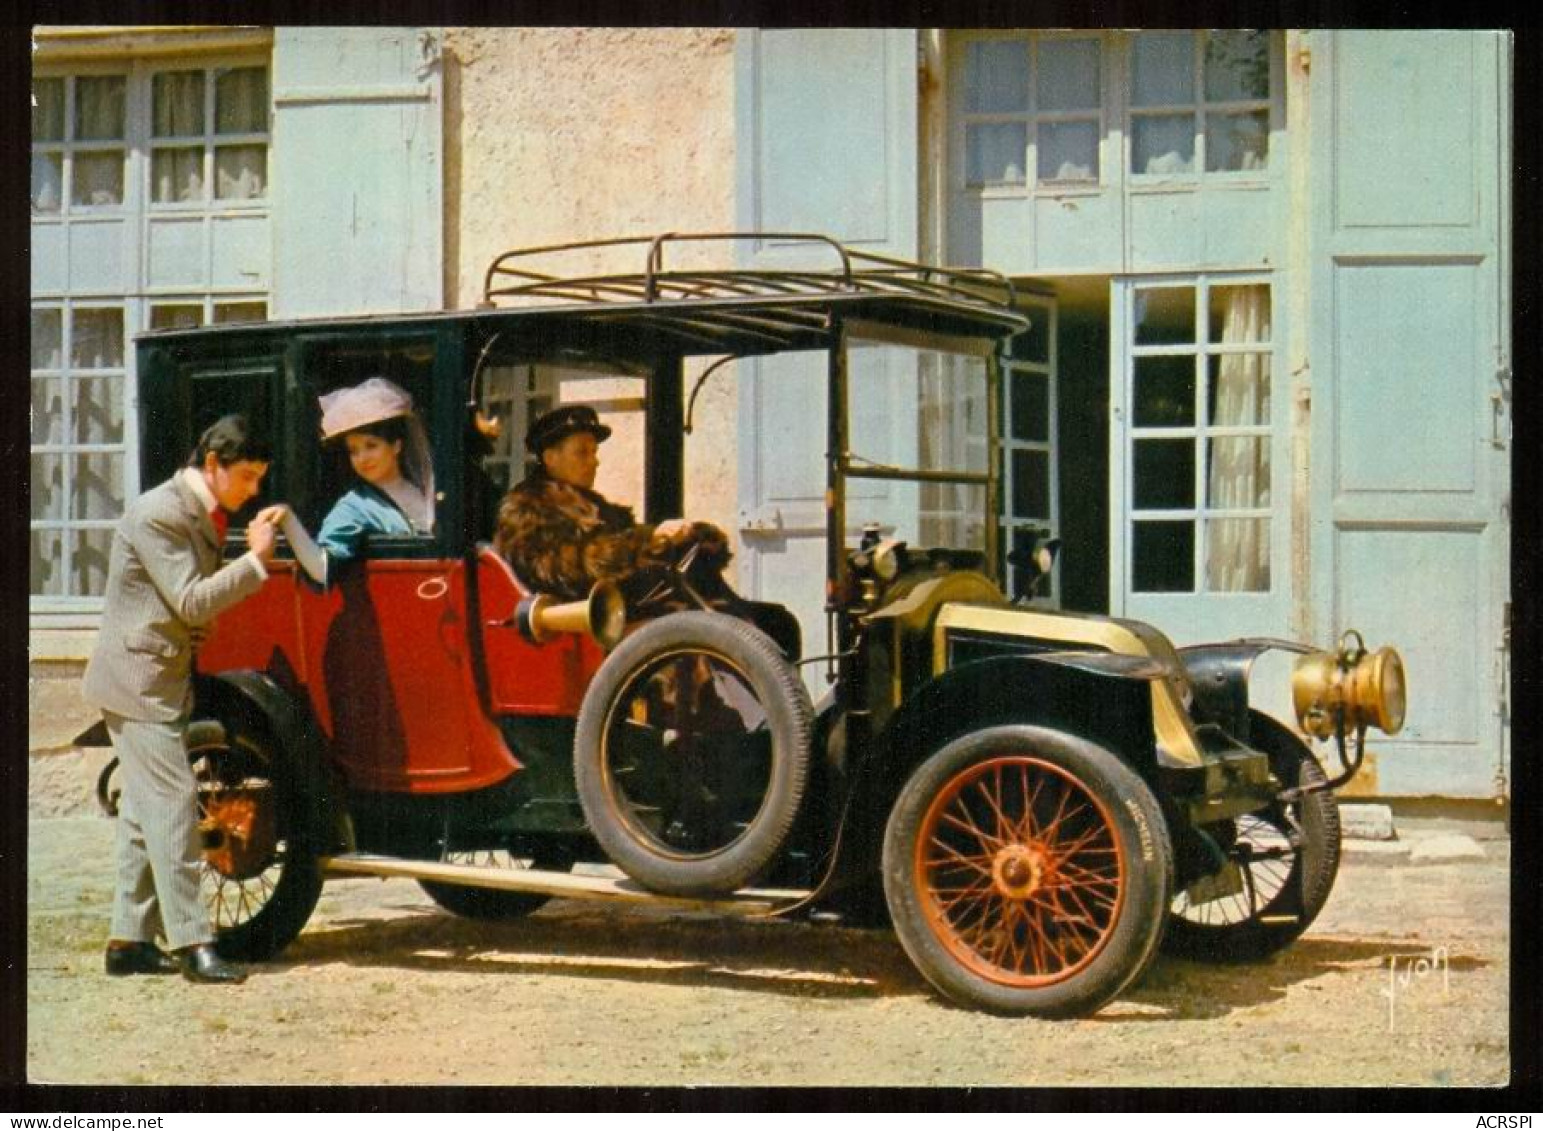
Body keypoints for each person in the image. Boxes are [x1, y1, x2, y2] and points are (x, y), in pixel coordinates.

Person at [82, 415, 288, 985]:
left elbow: (180, 608)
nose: (252, 490)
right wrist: (254, 561)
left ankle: (128, 942)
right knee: (174, 806)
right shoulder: (161, 512)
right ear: (214, 464)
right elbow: (193, 602)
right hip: (137, 682)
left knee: (142, 817)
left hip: (157, 678)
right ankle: (195, 944)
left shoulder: (194, 511)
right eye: (246, 477)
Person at [493, 404, 731, 613]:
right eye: (582, 453)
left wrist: (683, 537)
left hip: (623, 615)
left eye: (594, 452)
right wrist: (655, 542)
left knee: (715, 599)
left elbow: (628, 538)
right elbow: (572, 568)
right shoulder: (525, 510)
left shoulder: (596, 507)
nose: (594, 461)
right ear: (550, 458)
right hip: (580, 631)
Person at [278, 377, 436, 587]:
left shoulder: (420, 487)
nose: (362, 458)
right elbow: (323, 570)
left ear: (396, 446)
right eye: (353, 451)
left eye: (371, 446)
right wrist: (288, 521)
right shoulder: (354, 506)